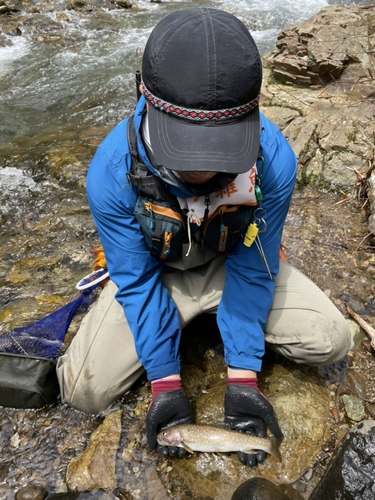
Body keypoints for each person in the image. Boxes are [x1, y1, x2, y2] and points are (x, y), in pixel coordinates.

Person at [56, 8, 352, 467]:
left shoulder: (273, 160)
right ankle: (178, 332)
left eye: (222, 148)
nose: (205, 167)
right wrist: (166, 382)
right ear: (144, 94)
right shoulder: (111, 171)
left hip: (231, 266)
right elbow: (133, 279)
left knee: (331, 339)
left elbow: (256, 266)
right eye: (185, 142)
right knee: (83, 391)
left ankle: (223, 332)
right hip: (158, 277)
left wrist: (243, 378)